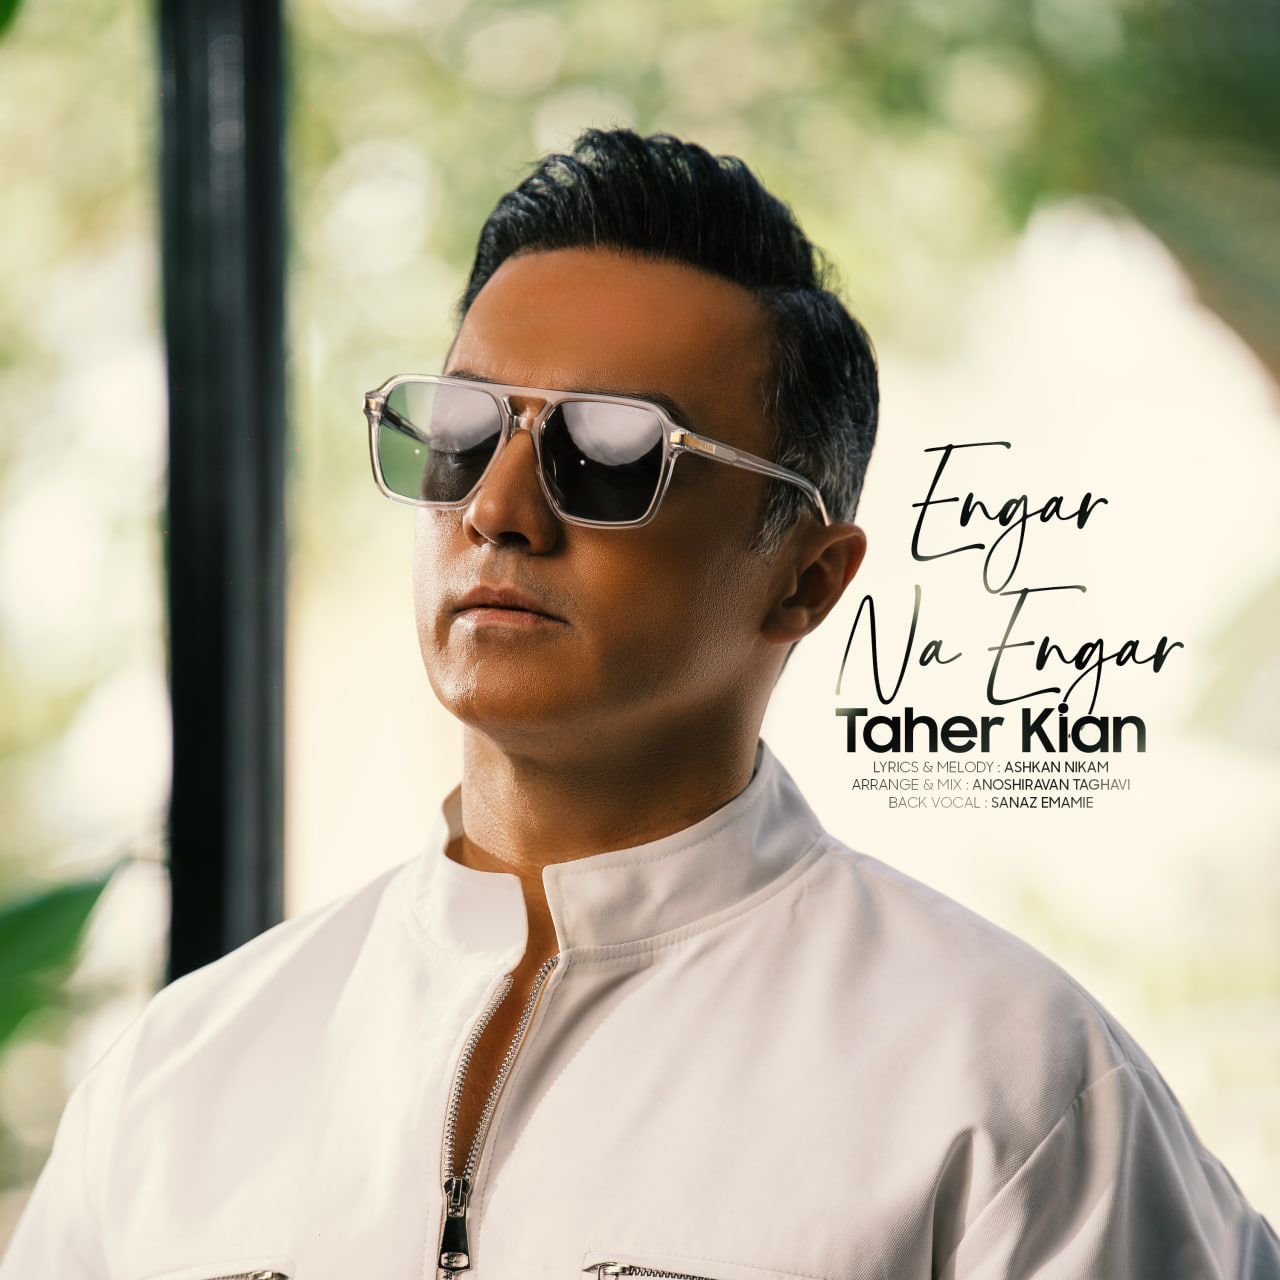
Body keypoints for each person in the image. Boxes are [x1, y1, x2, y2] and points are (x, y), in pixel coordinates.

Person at [4, 129, 1277, 1280]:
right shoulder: (179, 1081)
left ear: (804, 577)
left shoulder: (1003, 1082)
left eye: (608, 452)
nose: (497, 508)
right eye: (461, 430)